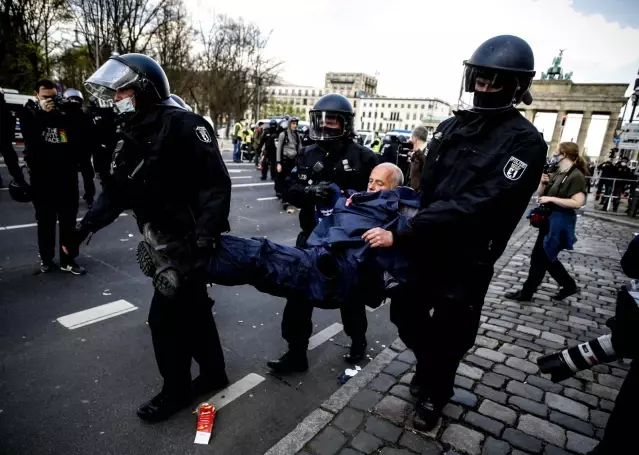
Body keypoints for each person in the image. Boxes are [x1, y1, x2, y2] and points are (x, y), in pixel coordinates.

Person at [361, 35, 547, 430]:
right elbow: (427, 190)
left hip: (468, 256)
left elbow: (484, 201)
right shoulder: (449, 127)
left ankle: (435, 392)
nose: (484, 85)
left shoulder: (526, 142)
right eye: (480, 76)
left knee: (450, 332)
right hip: (425, 249)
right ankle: (432, 370)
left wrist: (409, 230)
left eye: (495, 79)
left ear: (517, 85)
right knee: (405, 315)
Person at [65, 53, 231, 422]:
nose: (117, 97)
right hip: (161, 240)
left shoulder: (185, 124)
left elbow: (215, 184)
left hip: (189, 241)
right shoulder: (132, 133)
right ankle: (214, 372)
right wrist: (84, 227)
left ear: (143, 90)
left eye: (123, 90)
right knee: (194, 310)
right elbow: (117, 191)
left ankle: (174, 391)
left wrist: (205, 238)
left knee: (164, 320)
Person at [267, 94, 379, 374]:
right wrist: (308, 193)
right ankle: (296, 353)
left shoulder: (364, 158)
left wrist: (350, 198)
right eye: (322, 119)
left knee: (350, 298)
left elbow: (381, 198)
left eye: (332, 120)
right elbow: (286, 189)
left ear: (345, 124)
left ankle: (358, 340)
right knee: (298, 295)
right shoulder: (307, 154)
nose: (326, 125)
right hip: (311, 238)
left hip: (347, 243)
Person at [19, 79, 88, 275]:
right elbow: (30, 141)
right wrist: (42, 114)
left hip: (66, 175)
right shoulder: (29, 113)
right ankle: (47, 259)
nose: (50, 100)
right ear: (36, 95)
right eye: (45, 97)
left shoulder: (64, 113)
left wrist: (71, 109)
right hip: (42, 178)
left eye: (53, 96)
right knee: (45, 221)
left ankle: (68, 259)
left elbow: (80, 134)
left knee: (68, 220)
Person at [506, 142, 587, 302]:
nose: (554, 154)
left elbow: (578, 202)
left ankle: (527, 293)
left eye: (557, 152)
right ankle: (566, 286)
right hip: (548, 220)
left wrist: (551, 198)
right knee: (544, 257)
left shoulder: (575, 175)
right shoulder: (558, 172)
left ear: (564, 154)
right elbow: (542, 194)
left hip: (559, 222)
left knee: (541, 257)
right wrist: (543, 185)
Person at [63, 89, 97, 209]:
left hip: (78, 151)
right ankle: (88, 198)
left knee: (81, 177)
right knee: (81, 176)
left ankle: (86, 197)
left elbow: (92, 134)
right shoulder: (83, 116)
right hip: (79, 151)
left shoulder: (81, 116)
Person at [87, 96, 118, 186]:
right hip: (99, 142)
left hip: (111, 140)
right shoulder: (92, 112)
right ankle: (104, 178)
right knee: (102, 165)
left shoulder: (111, 111)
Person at [0, 90, 25, 189]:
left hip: (5, 139)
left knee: (11, 161)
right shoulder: (7, 109)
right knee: (12, 162)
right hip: (5, 139)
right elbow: (12, 124)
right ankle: (20, 181)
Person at [276, 117, 301, 209]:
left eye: (296, 124)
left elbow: (299, 149)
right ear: (289, 124)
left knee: (293, 180)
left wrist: (300, 161)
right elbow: (278, 149)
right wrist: (278, 163)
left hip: (294, 161)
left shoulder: (297, 135)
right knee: (284, 180)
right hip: (285, 161)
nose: (295, 125)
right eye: (293, 123)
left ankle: (291, 198)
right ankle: (285, 199)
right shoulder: (283, 134)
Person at [408, 126, 428, 191]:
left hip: (419, 192)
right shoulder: (415, 152)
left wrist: (418, 153)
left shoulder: (427, 151)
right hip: (411, 189)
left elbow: (427, 167)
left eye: (412, 138)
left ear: (415, 139)